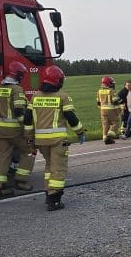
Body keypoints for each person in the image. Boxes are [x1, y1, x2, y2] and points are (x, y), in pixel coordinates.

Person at [24, 65, 85, 211]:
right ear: (58, 80)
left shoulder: (35, 97)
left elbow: (27, 119)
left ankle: (48, 193)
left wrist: (30, 138)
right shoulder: (62, 96)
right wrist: (80, 132)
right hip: (57, 141)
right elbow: (72, 118)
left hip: (41, 141)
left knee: (49, 167)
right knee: (58, 169)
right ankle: (54, 199)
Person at [0, 61, 35, 197]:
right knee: (29, 151)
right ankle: (21, 181)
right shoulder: (17, 90)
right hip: (15, 131)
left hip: (0, 131)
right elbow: (19, 112)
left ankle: (0, 186)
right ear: (18, 75)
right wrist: (27, 129)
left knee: (2, 156)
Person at [96, 76, 121, 144]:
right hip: (111, 110)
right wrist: (119, 111)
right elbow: (115, 102)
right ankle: (109, 136)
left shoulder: (99, 91)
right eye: (112, 83)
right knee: (116, 122)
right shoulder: (111, 91)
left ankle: (104, 138)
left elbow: (98, 102)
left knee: (105, 125)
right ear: (109, 83)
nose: (113, 84)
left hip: (102, 110)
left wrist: (102, 109)